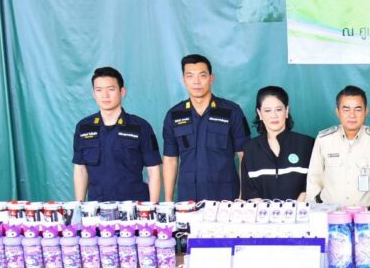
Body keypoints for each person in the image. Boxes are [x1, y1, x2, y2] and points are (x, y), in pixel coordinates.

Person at [161, 54, 250, 202]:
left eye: (202, 75)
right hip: (188, 200)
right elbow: (170, 160)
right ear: (184, 79)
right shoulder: (174, 115)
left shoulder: (231, 111)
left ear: (211, 78)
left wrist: (243, 196)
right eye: (190, 76)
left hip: (226, 199)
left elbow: (244, 157)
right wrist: (168, 200)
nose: (196, 82)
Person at [72, 67, 161, 202]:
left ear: (122, 91)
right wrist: (79, 206)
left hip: (134, 206)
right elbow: (80, 170)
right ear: (93, 94)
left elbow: (154, 171)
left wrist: (152, 208)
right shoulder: (84, 127)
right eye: (99, 90)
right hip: (97, 206)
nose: (105, 95)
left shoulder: (140, 127)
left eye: (111, 89)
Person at [307, 85, 370, 207]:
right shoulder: (324, 140)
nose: (352, 115)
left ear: (366, 111)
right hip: (330, 212)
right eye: (346, 109)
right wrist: (313, 209)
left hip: (368, 214)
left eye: (358, 109)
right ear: (338, 112)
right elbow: (314, 178)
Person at [239, 86, 315, 201]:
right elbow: (249, 192)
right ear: (259, 113)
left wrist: (296, 207)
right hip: (261, 212)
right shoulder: (250, 149)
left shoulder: (307, 144)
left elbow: (314, 182)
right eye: (267, 110)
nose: (273, 115)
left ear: (286, 111)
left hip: (300, 210)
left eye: (278, 109)